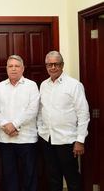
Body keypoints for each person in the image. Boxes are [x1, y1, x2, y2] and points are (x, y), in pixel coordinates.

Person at [38, 51, 90, 191]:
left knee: (72, 178)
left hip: (67, 140)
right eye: (49, 64)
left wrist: (80, 140)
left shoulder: (74, 85)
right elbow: (40, 110)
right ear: (46, 66)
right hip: (47, 139)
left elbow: (83, 113)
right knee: (53, 177)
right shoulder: (44, 85)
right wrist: (40, 128)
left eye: (56, 64)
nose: (53, 67)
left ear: (62, 65)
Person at [0, 55, 39, 191]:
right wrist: (5, 126)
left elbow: (32, 110)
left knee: (29, 176)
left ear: (22, 68)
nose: (13, 69)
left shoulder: (31, 86)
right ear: (6, 69)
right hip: (5, 139)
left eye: (17, 66)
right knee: (9, 177)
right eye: (10, 66)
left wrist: (14, 125)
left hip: (26, 138)